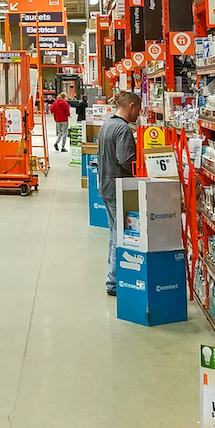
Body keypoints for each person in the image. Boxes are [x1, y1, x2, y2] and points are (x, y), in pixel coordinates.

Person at [97, 91, 141, 296]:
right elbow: (125, 159)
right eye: (138, 110)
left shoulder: (107, 125)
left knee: (114, 232)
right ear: (131, 106)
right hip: (117, 188)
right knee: (119, 234)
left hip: (105, 185)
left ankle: (113, 276)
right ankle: (113, 282)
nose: (138, 115)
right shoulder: (123, 129)